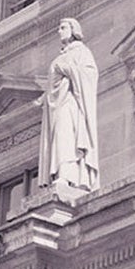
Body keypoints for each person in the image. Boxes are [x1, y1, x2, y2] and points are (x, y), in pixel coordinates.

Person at [39, 17, 100, 197]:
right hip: (57, 104)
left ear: (73, 30)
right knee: (60, 137)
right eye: (59, 28)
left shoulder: (82, 52)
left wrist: (64, 68)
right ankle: (62, 174)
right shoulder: (60, 57)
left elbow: (89, 76)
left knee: (65, 136)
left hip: (72, 103)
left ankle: (67, 175)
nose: (59, 31)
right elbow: (52, 85)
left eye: (63, 27)